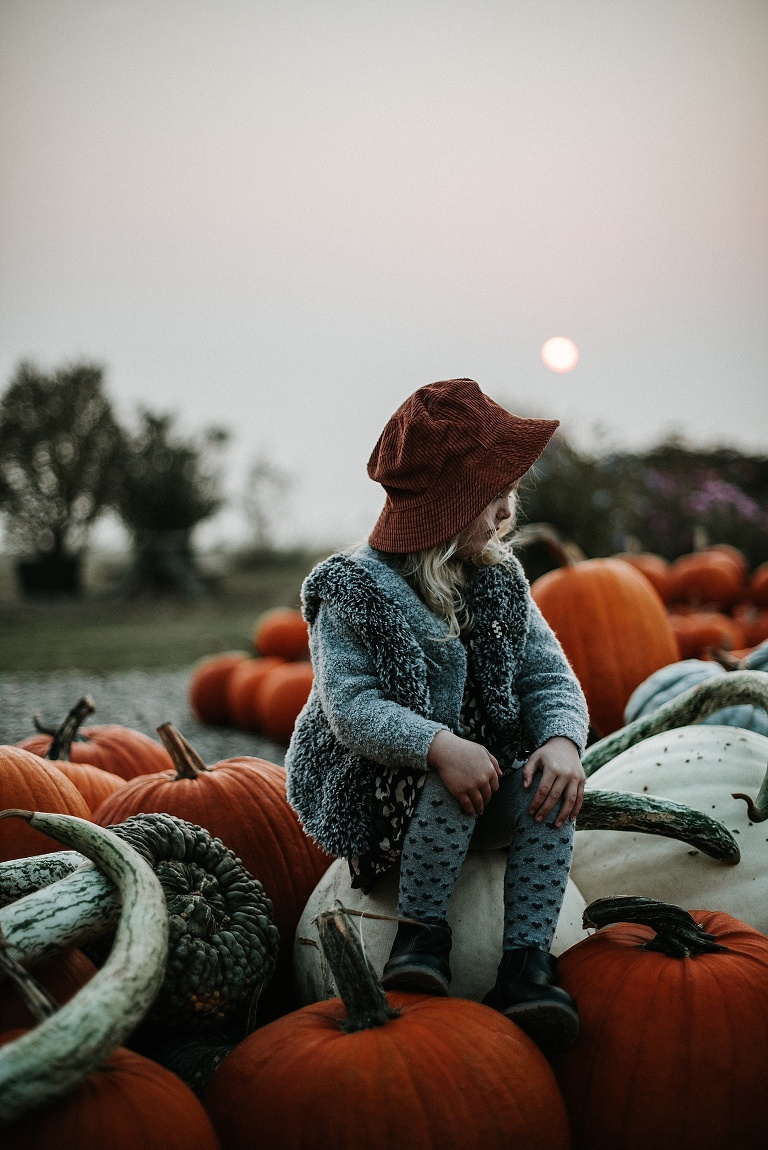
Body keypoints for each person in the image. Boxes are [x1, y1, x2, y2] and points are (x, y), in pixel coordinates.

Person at [285, 377, 589, 1050]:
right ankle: (420, 940)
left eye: (509, 493)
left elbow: (547, 673)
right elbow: (353, 709)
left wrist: (562, 742)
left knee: (550, 794)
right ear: (448, 507)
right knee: (446, 781)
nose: (506, 511)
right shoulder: (355, 593)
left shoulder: (498, 578)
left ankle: (527, 965)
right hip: (380, 784)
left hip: (482, 775)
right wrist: (439, 746)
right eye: (491, 496)